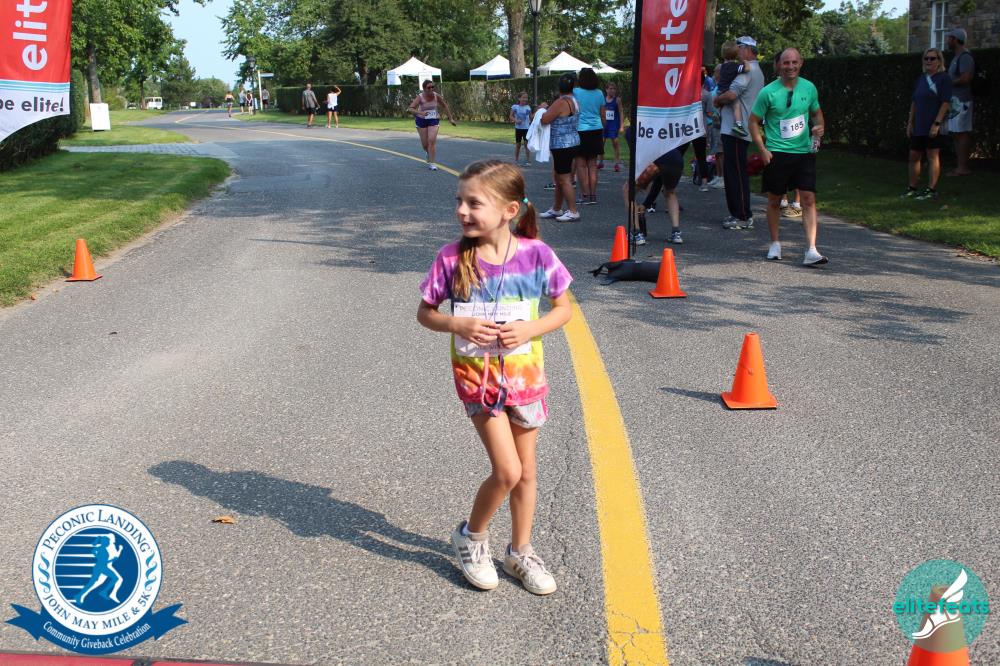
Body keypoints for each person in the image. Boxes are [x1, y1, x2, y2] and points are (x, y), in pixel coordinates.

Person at [417, 159, 573, 596]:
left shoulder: (537, 254)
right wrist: (457, 324)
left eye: (474, 203)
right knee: (506, 470)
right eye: (459, 201)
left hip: (526, 380)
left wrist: (530, 328)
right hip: (479, 381)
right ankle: (471, 537)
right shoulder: (452, 257)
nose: (462, 211)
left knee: (527, 473)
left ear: (509, 210)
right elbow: (425, 313)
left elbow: (564, 309)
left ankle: (520, 551)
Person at [749, 47, 828, 266]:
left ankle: (811, 249)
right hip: (777, 153)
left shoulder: (809, 87)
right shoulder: (768, 92)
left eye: (794, 62)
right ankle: (775, 243)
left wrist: (819, 128)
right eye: (786, 63)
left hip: (803, 152)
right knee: (775, 200)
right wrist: (762, 148)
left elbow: (816, 113)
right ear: (779, 65)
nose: (790, 67)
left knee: (808, 198)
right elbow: (753, 121)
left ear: (801, 63)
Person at [714, 36, 765, 229]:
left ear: (748, 50)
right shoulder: (757, 71)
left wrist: (717, 100)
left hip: (736, 130)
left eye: (740, 47)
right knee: (734, 172)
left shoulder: (748, 72)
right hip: (740, 127)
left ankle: (742, 215)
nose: (737, 51)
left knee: (735, 173)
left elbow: (731, 94)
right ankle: (737, 213)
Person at [904, 48, 952, 200]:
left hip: (933, 124)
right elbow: (914, 102)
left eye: (932, 58)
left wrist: (936, 123)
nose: (929, 61)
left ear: (939, 61)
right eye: (926, 58)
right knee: (914, 155)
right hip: (919, 124)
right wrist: (910, 122)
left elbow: (945, 102)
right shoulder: (921, 79)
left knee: (932, 155)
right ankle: (912, 187)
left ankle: (931, 189)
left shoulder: (944, 78)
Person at [538, 73, 581, 223]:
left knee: (564, 179)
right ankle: (556, 208)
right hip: (572, 141)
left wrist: (542, 109)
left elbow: (545, 120)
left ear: (559, 87)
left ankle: (573, 211)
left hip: (562, 144)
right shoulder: (574, 101)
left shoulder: (561, 102)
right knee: (558, 177)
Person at [636, 143, 688, 244]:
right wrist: (646, 204)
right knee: (670, 192)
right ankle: (676, 233)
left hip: (660, 158)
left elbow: (657, 183)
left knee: (628, 190)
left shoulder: (646, 146)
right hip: (677, 159)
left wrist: (645, 204)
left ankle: (636, 233)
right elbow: (658, 182)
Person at [407, 79, 457, 171]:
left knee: (432, 140)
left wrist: (450, 118)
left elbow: (445, 106)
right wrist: (421, 113)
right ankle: (428, 152)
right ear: (424, 89)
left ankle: (432, 163)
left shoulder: (436, 96)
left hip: (433, 119)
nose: (431, 89)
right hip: (421, 120)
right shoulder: (420, 97)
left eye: (432, 87)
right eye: (429, 87)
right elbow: (410, 109)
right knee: (425, 145)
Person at [573, 68, 606, 205]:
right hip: (596, 129)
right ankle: (593, 195)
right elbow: (603, 115)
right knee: (593, 164)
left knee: (581, 165)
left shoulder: (576, 92)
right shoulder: (599, 93)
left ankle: (584, 195)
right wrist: (602, 130)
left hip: (580, 130)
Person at [945, 28, 974, 176]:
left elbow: (966, 78)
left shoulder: (965, 57)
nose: (947, 41)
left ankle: (963, 167)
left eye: (949, 38)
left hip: (962, 101)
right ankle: (959, 166)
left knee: (961, 133)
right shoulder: (957, 56)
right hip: (955, 101)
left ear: (955, 40)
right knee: (956, 133)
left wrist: (949, 83)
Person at [716, 41, 753, 137]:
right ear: (736, 55)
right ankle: (738, 125)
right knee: (737, 105)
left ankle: (717, 115)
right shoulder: (734, 66)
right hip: (727, 91)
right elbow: (747, 69)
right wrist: (745, 61)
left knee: (721, 105)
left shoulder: (722, 66)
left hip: (720, 90)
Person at [600, 82, 625, 171]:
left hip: (614, 125)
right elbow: (600, 112)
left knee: (615, 144)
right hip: (604, 125)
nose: (612, 90)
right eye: (610, 88)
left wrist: (621, 126)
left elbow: (621, 112)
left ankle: (617, 163)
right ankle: (601, 162)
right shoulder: (602, 100)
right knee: (601, 144)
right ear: (606, 90)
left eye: (614, 89)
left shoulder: (617, 100)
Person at [510, 91, 532, 166]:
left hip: (526, 129)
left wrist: (538, 112)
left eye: (526, 98)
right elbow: (511, 116)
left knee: (526, 145)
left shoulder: (528, 107)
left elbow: (531, 117)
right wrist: (516, 120)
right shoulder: (515, 107)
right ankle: (516, 161)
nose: (525, 99)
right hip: (518, 129)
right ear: (519, 98)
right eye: (523, 97)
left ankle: (528, 161)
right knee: (518, 145)